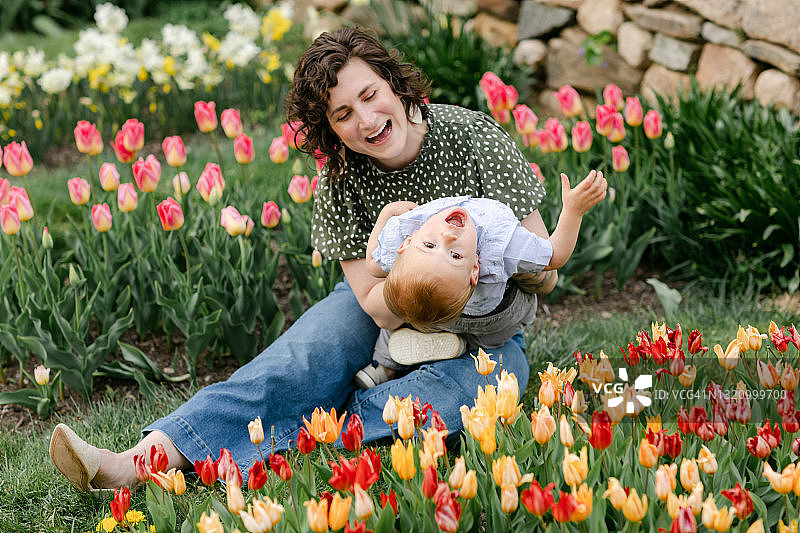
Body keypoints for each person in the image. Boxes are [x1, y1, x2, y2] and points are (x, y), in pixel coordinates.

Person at [48, 27, 557, 493]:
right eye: (343, 115)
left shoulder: (471, 136)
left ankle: (320, 429)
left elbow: (547, 275)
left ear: (394, 83)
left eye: (370, 94)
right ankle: (136, 463)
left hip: (484, 323)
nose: (367, 121)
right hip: (378, 303)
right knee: (300, 361)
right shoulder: (339, 179)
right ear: (328, 129)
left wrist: (471, 273)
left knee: (471, 391)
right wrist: (389, 246)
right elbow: (378, 310)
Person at [354, 171, 606, 388]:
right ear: (475, 267)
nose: (447, 235)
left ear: (408, 242)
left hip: (446, 314)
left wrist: (387, 212)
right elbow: (555, 256)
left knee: (409, 313)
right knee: (499, 331)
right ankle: (467, 348)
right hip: (495, 316)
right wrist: (573, 211)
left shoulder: (406, 230)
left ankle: (383, 366)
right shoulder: (502, 244)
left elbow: (372, 265)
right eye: (452, 254)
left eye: (431, 245)